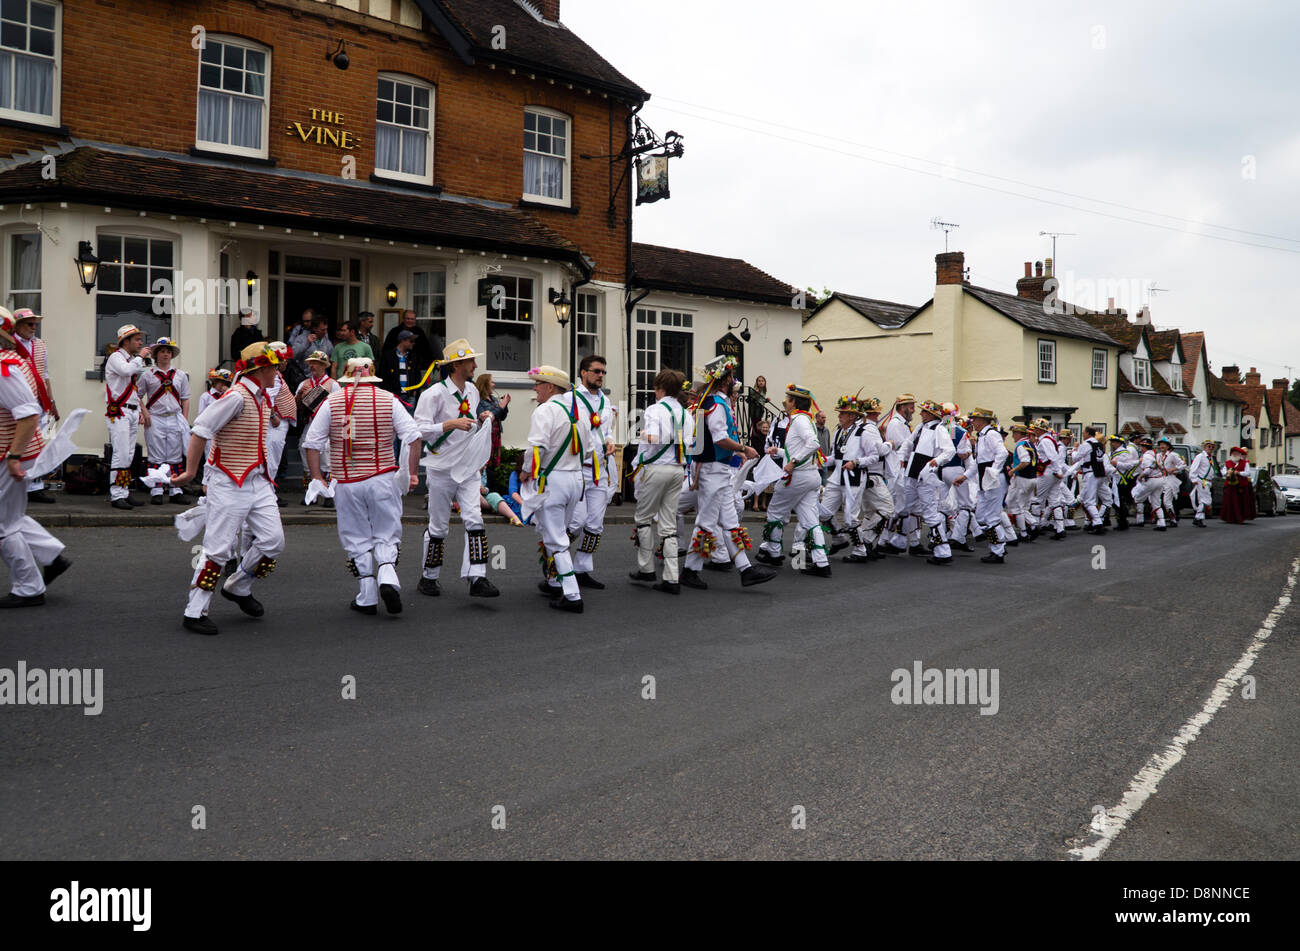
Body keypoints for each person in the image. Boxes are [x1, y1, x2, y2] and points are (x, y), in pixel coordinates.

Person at [169, 342, 287, 635]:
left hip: (258, 481)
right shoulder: (236, 396)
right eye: (273, 366)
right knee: (218, 548)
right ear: (260, 369)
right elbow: (200, 429)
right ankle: (194, 611)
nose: (277, 370)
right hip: (228, 481)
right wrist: (191, 472)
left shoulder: (259, 395)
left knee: (273, 541)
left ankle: (237, 586)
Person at [303, 357, 424, 616]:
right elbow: (413, 437)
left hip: (347, 482)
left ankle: (367, 596)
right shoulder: (388, 400)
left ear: (346, 376)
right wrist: (411, 472)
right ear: (373, 374)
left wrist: (317, 478)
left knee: (356, 537)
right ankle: (388, 578)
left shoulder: (331, 402)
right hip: (382, 477)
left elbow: (312, 443)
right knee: (386, 532)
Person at [413, 339, 500, 599]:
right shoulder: (433, 394)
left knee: (475, 518)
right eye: (471, 361)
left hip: (468, 465)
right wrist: (448, 424)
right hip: (441, 466)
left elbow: (469, 420)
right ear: (457, 364)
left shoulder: (472, 391)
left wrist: (481, 418)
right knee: (439, 525)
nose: (475, 365)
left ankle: (477, 577)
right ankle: (428, 577)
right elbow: (417, 429)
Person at [0, 308, 72, 607]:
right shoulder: (12, 361)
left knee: (3, 525)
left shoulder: (4, 367)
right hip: (12, 452)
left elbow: (28, 415)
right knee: (10, 516)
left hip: (10, 454)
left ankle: (29, 587)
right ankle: (52, 556)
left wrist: (15, 456)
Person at [520, 365, 589, 612]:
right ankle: (552, 579)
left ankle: (571, 595)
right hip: (576, 480)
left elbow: (536, 448)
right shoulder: (578, 412)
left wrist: (526, 470)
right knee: (558, 534)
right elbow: (589, 449)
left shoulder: (545, 411)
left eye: (538, 383)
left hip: (553, 479)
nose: (535, 388)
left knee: (556, 538)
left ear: (550, 387)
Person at [629, 368, 691, 594]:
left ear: (661, 389)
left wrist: (642, 433)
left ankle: (646, 569)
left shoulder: (655, 409)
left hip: (656, 468)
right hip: (677, 469)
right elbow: (692, 443)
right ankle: (672, 578)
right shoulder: (687, 413)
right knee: (668, 524)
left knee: (643, 518)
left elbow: (656, 438)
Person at [567, 354, 617, 589]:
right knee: (576, 521)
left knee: (595, 523)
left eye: (603, 372)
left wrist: (610, 440)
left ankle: (581, 569)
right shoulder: (570, 399)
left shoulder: (605, 402)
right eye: (596, 371)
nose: (600, 375)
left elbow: (606, 430)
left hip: (600, 471)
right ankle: (555, 564)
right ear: (583, 372)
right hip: (577, 468)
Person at [897, 399, 956, 565]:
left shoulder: (939, 429)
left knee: (930, 512)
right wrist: (902, 457)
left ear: (931, 414)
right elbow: (908, 443)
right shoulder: (921, 427)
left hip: (925, 475)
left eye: (924, 411)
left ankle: (943, 552)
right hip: (912, 472)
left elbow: (950, 450)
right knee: (904, 507)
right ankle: (898, 541)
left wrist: (936, 461)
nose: (920, 413)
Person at [9, 308, 57, 503]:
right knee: (18, 441)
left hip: (39, 399)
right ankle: (16, 486)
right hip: (16, 401)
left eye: (35, 323)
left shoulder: (40, 345)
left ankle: (35, 487)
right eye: (30, 323)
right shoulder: (9, 344)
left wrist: (52, 402)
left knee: (40, 444)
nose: (34, 327)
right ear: (17, 325)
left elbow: (45, 374)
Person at [135, 337, 191, 505]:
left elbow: (185, 399)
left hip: (174, 418)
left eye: (168, 352)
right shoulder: (147, 375)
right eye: (162, 352)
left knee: (175, 455)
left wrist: (184, 420)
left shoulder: (180, 375)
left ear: (171, 355)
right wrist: (144, 413)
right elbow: (136, 395)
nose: (165, 355)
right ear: (155, 355)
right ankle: (157, 489)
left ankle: (175, 489)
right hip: (155, 419)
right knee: (156, 455)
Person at [104, 324, 152, 509]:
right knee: (121, 452)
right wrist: (140, 358)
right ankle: (116, 494)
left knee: (130, 454)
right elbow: (126, 371)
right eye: (137, 339)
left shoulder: (131, 359)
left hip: (130, 410)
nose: (140, 343)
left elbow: (132, 388)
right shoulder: (116, 357)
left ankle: (124, 490)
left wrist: (139, 410)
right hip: (120, 411)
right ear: (125, 341)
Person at [842, 396, 895, 561]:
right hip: (872, 474)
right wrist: (890, 444)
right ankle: (865, 539)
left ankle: (865, 544)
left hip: (866, 473)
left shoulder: (861, 427)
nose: (879, 415)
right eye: (877, 412)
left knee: (870, 512)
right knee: (887, 509)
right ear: (874, 413)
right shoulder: (870, 428)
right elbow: (877, 451)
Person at [818, 395, 867, 556]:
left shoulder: (862, 432)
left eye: (842, 413)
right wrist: (820, 461)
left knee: (851, 517)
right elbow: (835, 457)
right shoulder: (839, 431)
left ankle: (861, 550)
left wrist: (856, 462)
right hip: (836, 477)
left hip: (853, 477)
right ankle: (839, 538)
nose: (839, 416)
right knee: (823, 512)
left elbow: (874, 456)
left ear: (852, 416)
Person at [295, 351, 339, 501]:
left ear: (324, 366)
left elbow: (338, 406)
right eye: (311, 363)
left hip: (328, 425)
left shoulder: (333, 384)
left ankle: (329, 495)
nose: (312, 366)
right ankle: (311, 493)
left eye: (316, 363)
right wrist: (300, 396)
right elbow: (297, 407)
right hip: (310, 422)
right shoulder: (304, 384)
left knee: (327, 458)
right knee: (305, 449)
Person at [967, 408, 1009, 563]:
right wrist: (964, 477)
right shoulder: (982, 436)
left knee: (991, 516)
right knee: (982, 515)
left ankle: (998, 550)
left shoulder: (991, 434)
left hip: (992, 479)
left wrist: (993, 471)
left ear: (983, 420)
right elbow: (977, 462)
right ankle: (999, 545)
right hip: (986, 479)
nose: (973, 422)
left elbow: (1002, 453)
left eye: (975, 420)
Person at [880, 394, 916, 552]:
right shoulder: (895, 424)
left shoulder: (904, 424)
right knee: (895, 507)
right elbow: (901, 446)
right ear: (901, 407)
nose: (913, 409)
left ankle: (897, 541)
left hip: (904, 469)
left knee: (904, 507)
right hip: (897, 470)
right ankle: (882, 541)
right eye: (910, 406)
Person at [1030, 419, 1069, 540]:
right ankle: (1060, 529)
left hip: (1047, 472)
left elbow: (1053, 457)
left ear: (1041, 429)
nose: (1035, 430)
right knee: (1054, 500)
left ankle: (1034, 527)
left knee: (1037, 500)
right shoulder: (1047, 440)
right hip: (1052, 472)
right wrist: (1057, 471)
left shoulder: (1045, 441)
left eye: (1036, 428)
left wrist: (1057, 471)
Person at [1069, 426, 1111, 534]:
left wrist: (1074, 450)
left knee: (1089, 501)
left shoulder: (1086, 444)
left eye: (1083, 433)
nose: (1082, 435)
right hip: (1100, 473)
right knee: (1105, 498)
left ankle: (1097, 523)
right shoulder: (1098, 445)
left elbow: (1076, 458)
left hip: (1090, 473)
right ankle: (1099, 518)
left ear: (1088, 433)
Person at [1004, 424, 1038, 543]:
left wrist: (1013, 470)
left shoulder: (1020, 445)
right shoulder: (1030, 444)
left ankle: (1025, 531)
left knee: (1016, 505)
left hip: (1023, 478)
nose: (1012, 435)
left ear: (1019, 433)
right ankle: (1032, 526)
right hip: (1032, 478)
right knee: (1021, 505)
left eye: (1014, 433)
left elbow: (1025, 461)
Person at [381, 331, 426, 413]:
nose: (413, 343)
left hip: (410, 395)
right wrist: (387, 391)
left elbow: (417, 374)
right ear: (402, 341)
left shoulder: (414, 356)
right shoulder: (388, 356)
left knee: (410, 419)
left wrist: (415, 390)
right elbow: (383, 375)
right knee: (394, 418)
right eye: (411, 341)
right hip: (394, 394)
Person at [1130, 435, 1167, 531]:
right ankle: (1161, 523)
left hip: (1151, 480)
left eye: (1141, 446)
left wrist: (1140, 476)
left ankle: (1140, 520)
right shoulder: (1154, 455)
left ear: (1144, 447)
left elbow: (1147, 470)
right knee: (1156, 502)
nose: (1140, 448)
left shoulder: (1146, 456)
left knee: (1137, 496)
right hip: (1159, 480)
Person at [475, 372, 510, 467]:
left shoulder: (493, 399)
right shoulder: (478, 400)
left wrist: (505, 406)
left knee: (493, 465)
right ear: (485, 383)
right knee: (484, 463)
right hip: (486, 435)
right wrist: (500, 407)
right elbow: (485, 417)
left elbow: (501, 417)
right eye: (492, 382)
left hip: (496, 435)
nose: (494, 384)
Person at [1107, 433, 1140, 530]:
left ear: (1118, 443)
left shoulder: (1124, 452)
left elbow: (1129, 466)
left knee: (1119, 501)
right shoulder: (1113, 452)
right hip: (1114, 480)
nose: (1111, 444)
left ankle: (1122, 522)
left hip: (1121, 480)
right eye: (1111, 442)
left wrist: (1117, 463)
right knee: (1115, 501)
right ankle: (1120, 520)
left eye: (1113, 442)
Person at [1220, 446, 1255, 524]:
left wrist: (1239, 473)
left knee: (1240, 502)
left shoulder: (1244, 463)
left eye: (1237, 453)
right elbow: (1223, 473)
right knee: (1229, 502)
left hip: (1240, 485)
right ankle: (1229, 518)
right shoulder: (1227, 463)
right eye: (1234, 453)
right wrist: (1228, 472)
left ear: (1240, 455)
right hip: (1230, 485)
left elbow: (1248, 473)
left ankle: (1240, 518)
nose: (1235, 455)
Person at [1157, 437, 1185, 527]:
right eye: (1160, 444)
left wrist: (1174, 468)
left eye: (1164, 444)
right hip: (1161, 479)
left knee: (1167, 501)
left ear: (1168, 446)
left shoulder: (1172, 455)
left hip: (1170, 479)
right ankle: (1160, 519)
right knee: (1156, 500)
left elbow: (1183, 464)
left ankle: (1173, 519)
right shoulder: (1158, 456)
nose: (1162, 446)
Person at [1188, 439, 1216, 527]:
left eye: (1212, 447)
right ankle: (1197, 518)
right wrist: (1194, 479)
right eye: (1208, 446)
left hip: (1207, 482)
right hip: (1202, 481)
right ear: (1204, 447)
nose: (1210, 448)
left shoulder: (1210, 457)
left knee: (1202, 500)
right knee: (1206, 500)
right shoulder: (1200, 456)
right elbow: (1193, 468)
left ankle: (1199, 518)